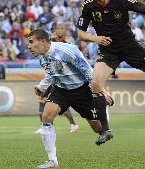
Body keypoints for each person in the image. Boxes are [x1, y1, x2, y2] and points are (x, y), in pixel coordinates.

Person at [27, 29, 108, 168]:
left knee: (98, 128)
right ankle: (52, 161)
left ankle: (103, 115)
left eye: (31, 42)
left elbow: (88, 72)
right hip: (61, 89)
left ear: (43, 41)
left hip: (81, 90)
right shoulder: (42, 56)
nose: (28, 46)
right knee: (46, 117)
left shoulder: (67, 51)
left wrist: (102, 92)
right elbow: (51, 74)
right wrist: (42, 86)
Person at [35, 24, 79, 134]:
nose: (59, 31)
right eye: (57, 29)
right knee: (44, 101)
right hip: (52, 76)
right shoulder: (51, 41)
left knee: (56, 102)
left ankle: (70, 124)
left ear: (64, 31)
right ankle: (46, 125)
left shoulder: (68, 43)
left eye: (61, 29)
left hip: (62, 77)